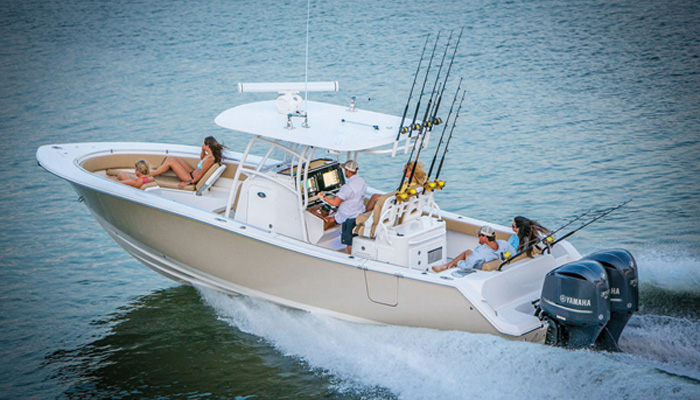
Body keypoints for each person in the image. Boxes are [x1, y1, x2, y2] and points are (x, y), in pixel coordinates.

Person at [317, 160, 367, 253]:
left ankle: (351, 256)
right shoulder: (361, 181)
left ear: (348, 171)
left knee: (349, 242)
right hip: (358, 211)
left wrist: (323, 197)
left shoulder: (348, 187)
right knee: (331, 218)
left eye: (345, 170)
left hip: (348, 216)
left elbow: (335, 203)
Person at [149, 136, 225, 189]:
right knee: (173, 158)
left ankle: (149, 175)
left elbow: (200, 174)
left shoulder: (210, 159)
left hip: (190, 178)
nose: (203, 145)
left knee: (171, 162)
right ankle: (157, 172)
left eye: (204, 144)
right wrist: (202, 149)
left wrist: (189, 182)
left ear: (208, 146)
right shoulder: (209, 156)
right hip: (192, 172)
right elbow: (202, 157)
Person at [432, 225, 515, 272]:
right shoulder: (504, 244)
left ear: (484, 237)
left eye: (479, 235)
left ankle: (446, 266)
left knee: (465, 255)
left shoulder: (480, 251)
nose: (478, 238)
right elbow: (514, 255)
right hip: (496, 267)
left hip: (478, 269)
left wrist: (457, 263)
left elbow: (467, 266)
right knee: (468, 252)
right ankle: (445, 266)